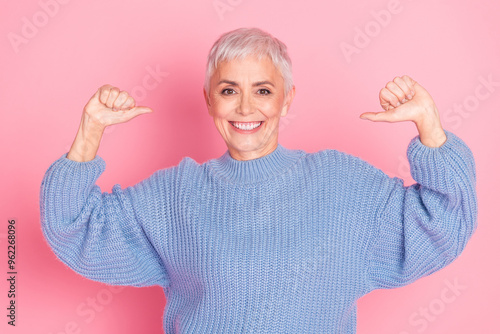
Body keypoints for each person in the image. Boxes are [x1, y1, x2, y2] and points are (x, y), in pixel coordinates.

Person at [40, 27, 477, 333]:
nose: (246, 107)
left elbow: (444, 221)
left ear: (287, 101)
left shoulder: (342, 184)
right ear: (209, 100)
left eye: (263, 91)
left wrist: (429, 127)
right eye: (229, 90)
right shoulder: (174, 195)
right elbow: (72, 225)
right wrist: (90, 132)